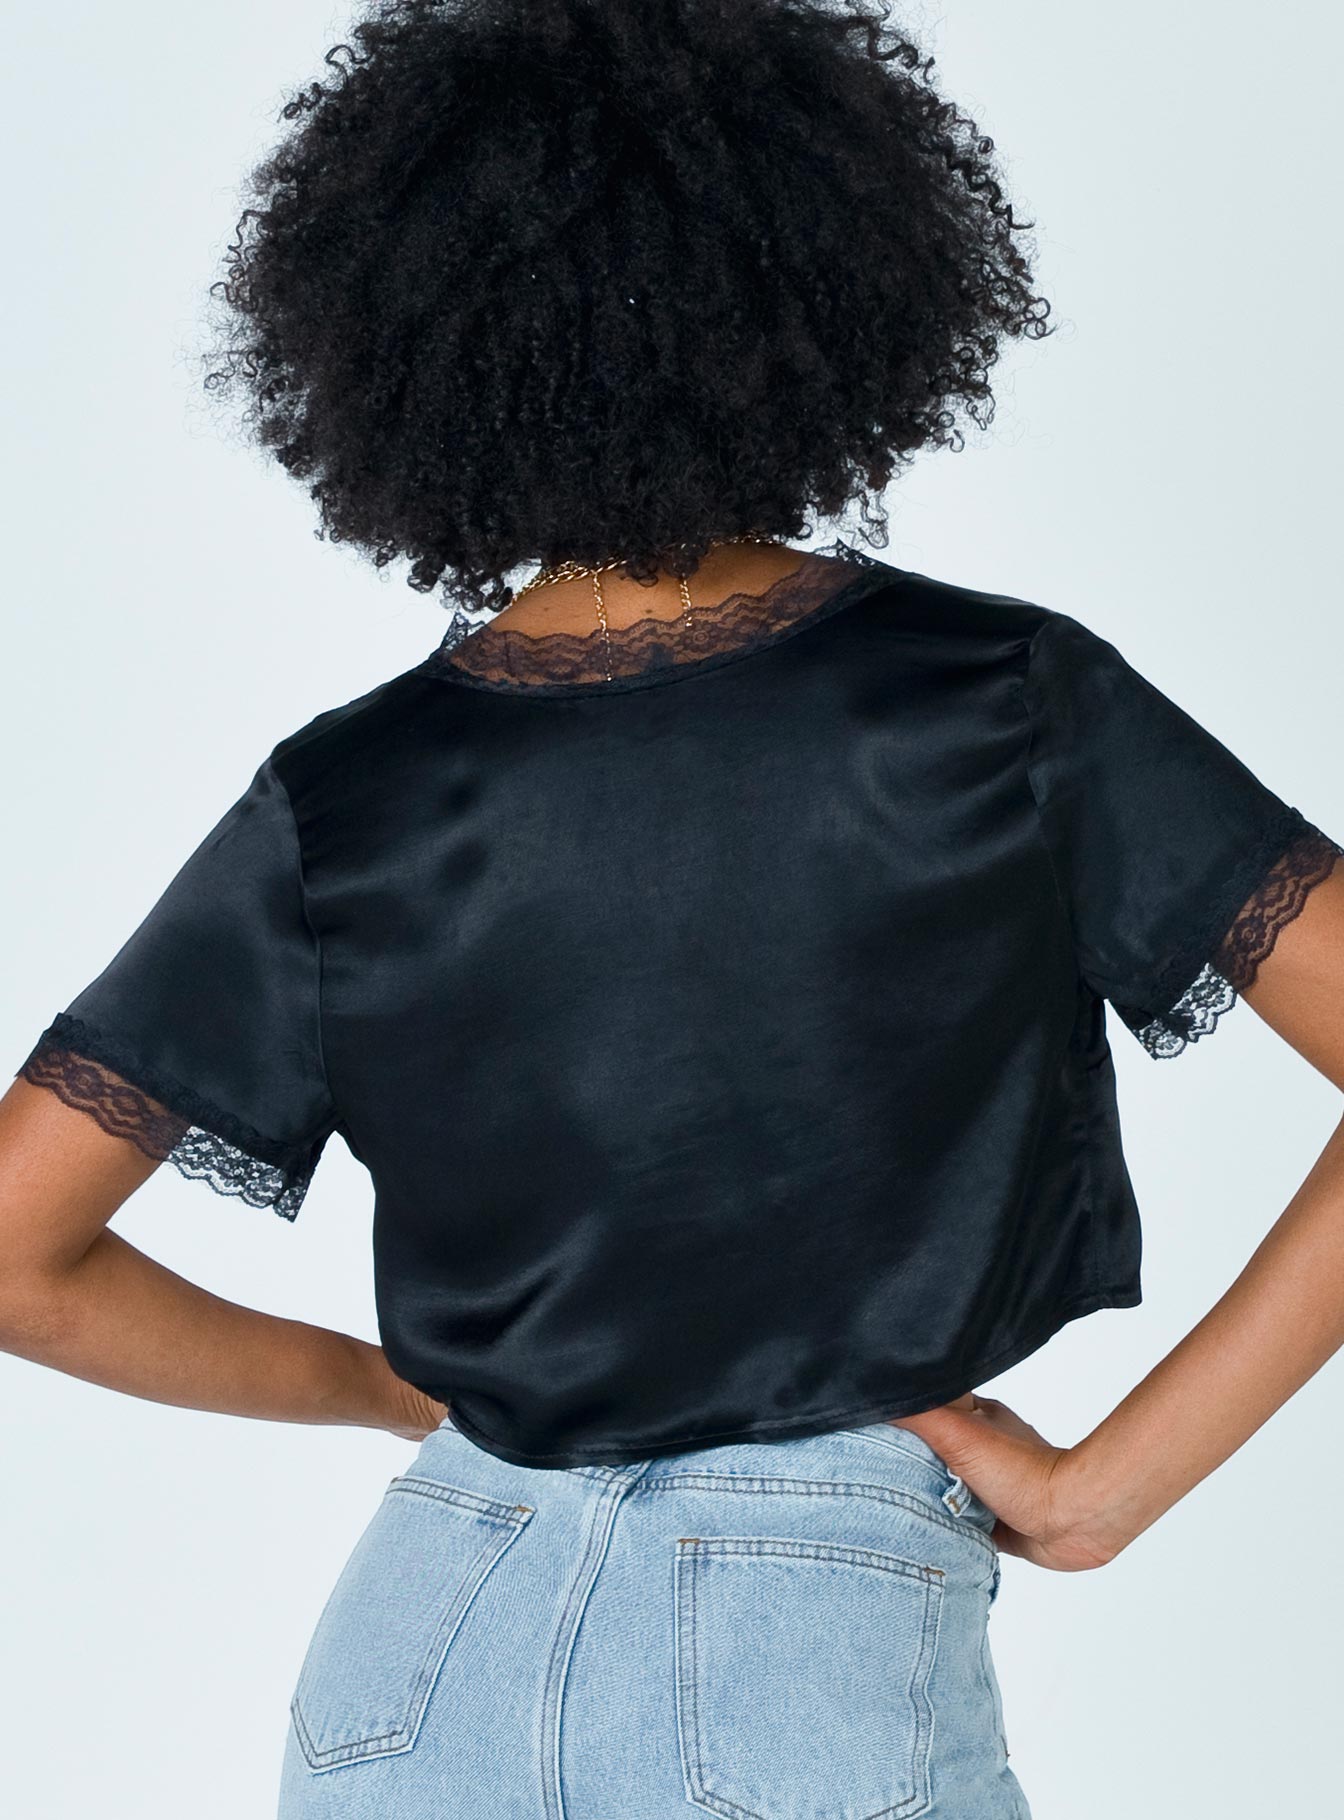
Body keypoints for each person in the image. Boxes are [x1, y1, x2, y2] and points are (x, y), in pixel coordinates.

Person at [2, 2, 1341, 1815]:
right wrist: (1106, 1489)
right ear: (825, 294)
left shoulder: (349, 796)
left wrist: (387, 1393)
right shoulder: (992, 701)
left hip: (421, 1641)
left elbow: (16, 1253)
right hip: (804, 1656)